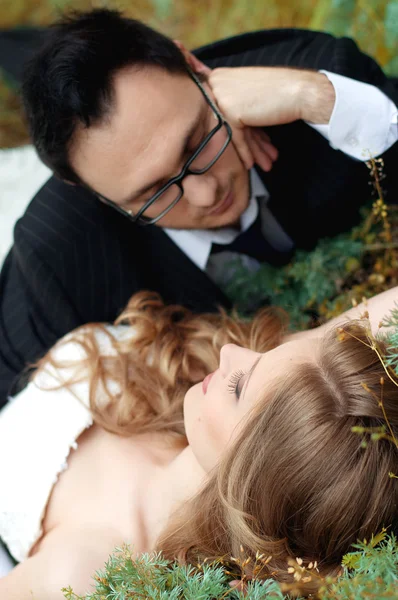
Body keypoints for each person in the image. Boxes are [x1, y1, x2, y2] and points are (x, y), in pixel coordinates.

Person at [0, 8, 397, 406]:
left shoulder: (310, 77)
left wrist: (315, 98)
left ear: (191, 65)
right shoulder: (56, 252)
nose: (206, 193)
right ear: (91, 192)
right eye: (155, 191)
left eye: (197, 141)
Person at [0, 285, 398, 598]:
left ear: (254, 474)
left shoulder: (83, 568)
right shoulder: (311, 389)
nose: (230, 351)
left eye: (239, 386)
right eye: (266, 354)